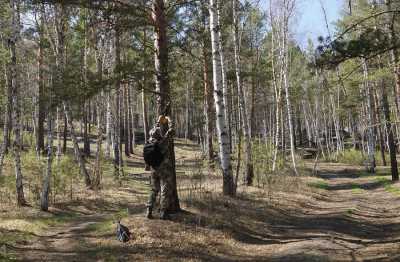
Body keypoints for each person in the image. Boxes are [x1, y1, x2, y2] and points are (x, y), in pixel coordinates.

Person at [146, 115, 174, 220]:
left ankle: (149, 208)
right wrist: (169, 119)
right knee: (165, 190)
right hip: (163, 169)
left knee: (154, 189)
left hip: (153, 168)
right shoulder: (163, 142)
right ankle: (163, 212)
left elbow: (155, 128)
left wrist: (159, 121)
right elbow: (172, 130)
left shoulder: (150, 139)